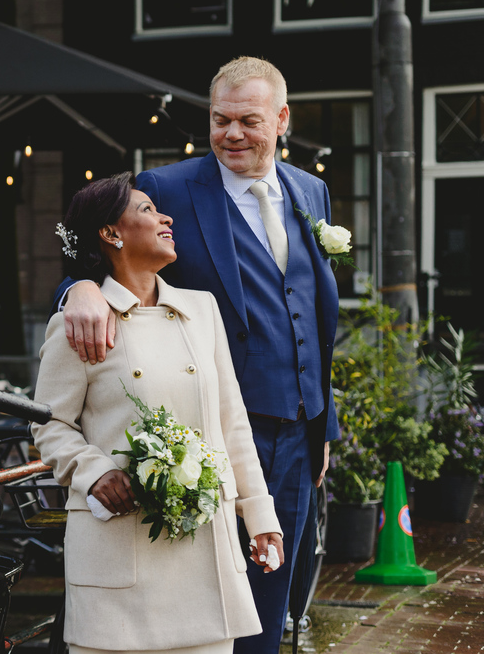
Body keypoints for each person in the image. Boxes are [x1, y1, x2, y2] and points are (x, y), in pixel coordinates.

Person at [54, 57, 340, 653]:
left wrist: (323, 423)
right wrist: (75, 291)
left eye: (248, 121)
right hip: (208, 428)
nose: (232, 134)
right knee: (201, 595)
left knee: (271, 594)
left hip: (299, 428)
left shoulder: (311, 191)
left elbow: (311, 311)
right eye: (220, 120)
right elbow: (98, 252)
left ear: (281, 120)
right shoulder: (167, 190)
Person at [34, 173, 283, 654]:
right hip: (119, 557)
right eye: (147, 210)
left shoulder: (202, 310)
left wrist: (260, 515)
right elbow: (48, 423)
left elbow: (232, 423)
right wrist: (94, 471)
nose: (166, 217)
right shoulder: (80, 321)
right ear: (112, 233)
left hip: (205, 559)